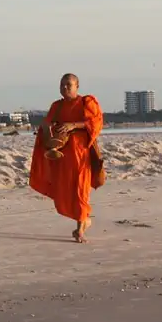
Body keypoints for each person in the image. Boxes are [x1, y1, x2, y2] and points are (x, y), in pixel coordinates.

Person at [29, 73, 104, 243]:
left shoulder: (86, 102)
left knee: (80, 190)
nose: (65, 88)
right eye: (62, 84)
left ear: (77, 86)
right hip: (62, 155)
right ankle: (85, 219)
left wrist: (73, 125)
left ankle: (80, 230)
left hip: (81, 154)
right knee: (64, 190)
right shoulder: (56, 106)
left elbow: (96, 122)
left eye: (68, 84)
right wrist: (48, 130)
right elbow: (47, 124)